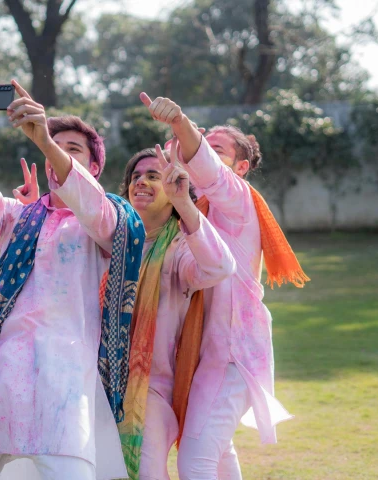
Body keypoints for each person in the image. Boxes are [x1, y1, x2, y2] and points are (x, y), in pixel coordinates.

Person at [0, 79, 144, 480]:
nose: (59, 154)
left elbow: (92, 206)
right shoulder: (17, 218)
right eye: (54, 147)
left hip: (64, 383)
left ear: (94, 167)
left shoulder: (108, 221)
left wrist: (45, 140)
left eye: (72, 149)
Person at [140, 93, 309, 479]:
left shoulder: (235, 200)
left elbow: (210, 172)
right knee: (216, 455)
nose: (205, 154)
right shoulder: (191, 210)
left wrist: (181, 123)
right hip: (204, 355)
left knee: (195, 461)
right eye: (204, 144)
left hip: (232, 353)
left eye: (216, 149)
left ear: (242, 166)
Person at [117, 145, 235, 480]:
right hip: (98, 380)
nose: (142, 181)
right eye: (136, 176)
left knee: (146, 472)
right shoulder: (111, 239)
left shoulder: (179, 249)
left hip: (150, 388)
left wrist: (185, 203)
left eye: (153, 176)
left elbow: (219, 267)